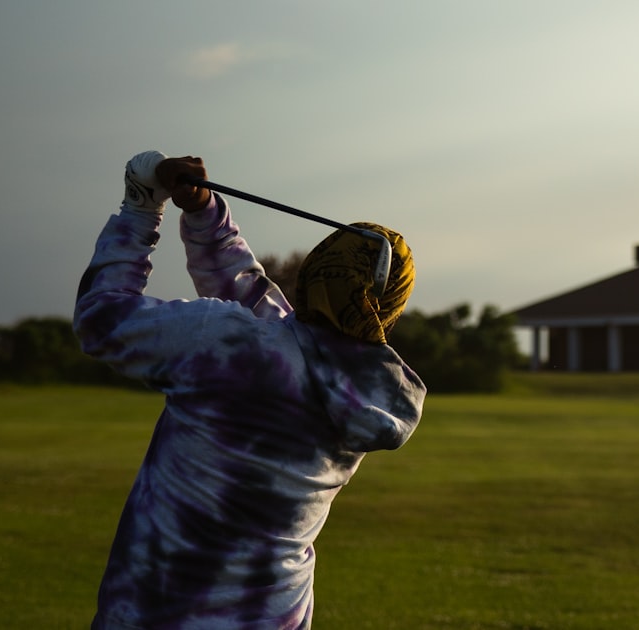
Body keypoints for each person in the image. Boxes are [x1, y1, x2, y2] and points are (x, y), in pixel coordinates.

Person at [75, 151, 426, 629]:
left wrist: (140, 206)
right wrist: (203, 210)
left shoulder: (226, 339)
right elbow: (259, 303)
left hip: (154, 612)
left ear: (317, 269)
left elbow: (102, 319)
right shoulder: (361, 389)